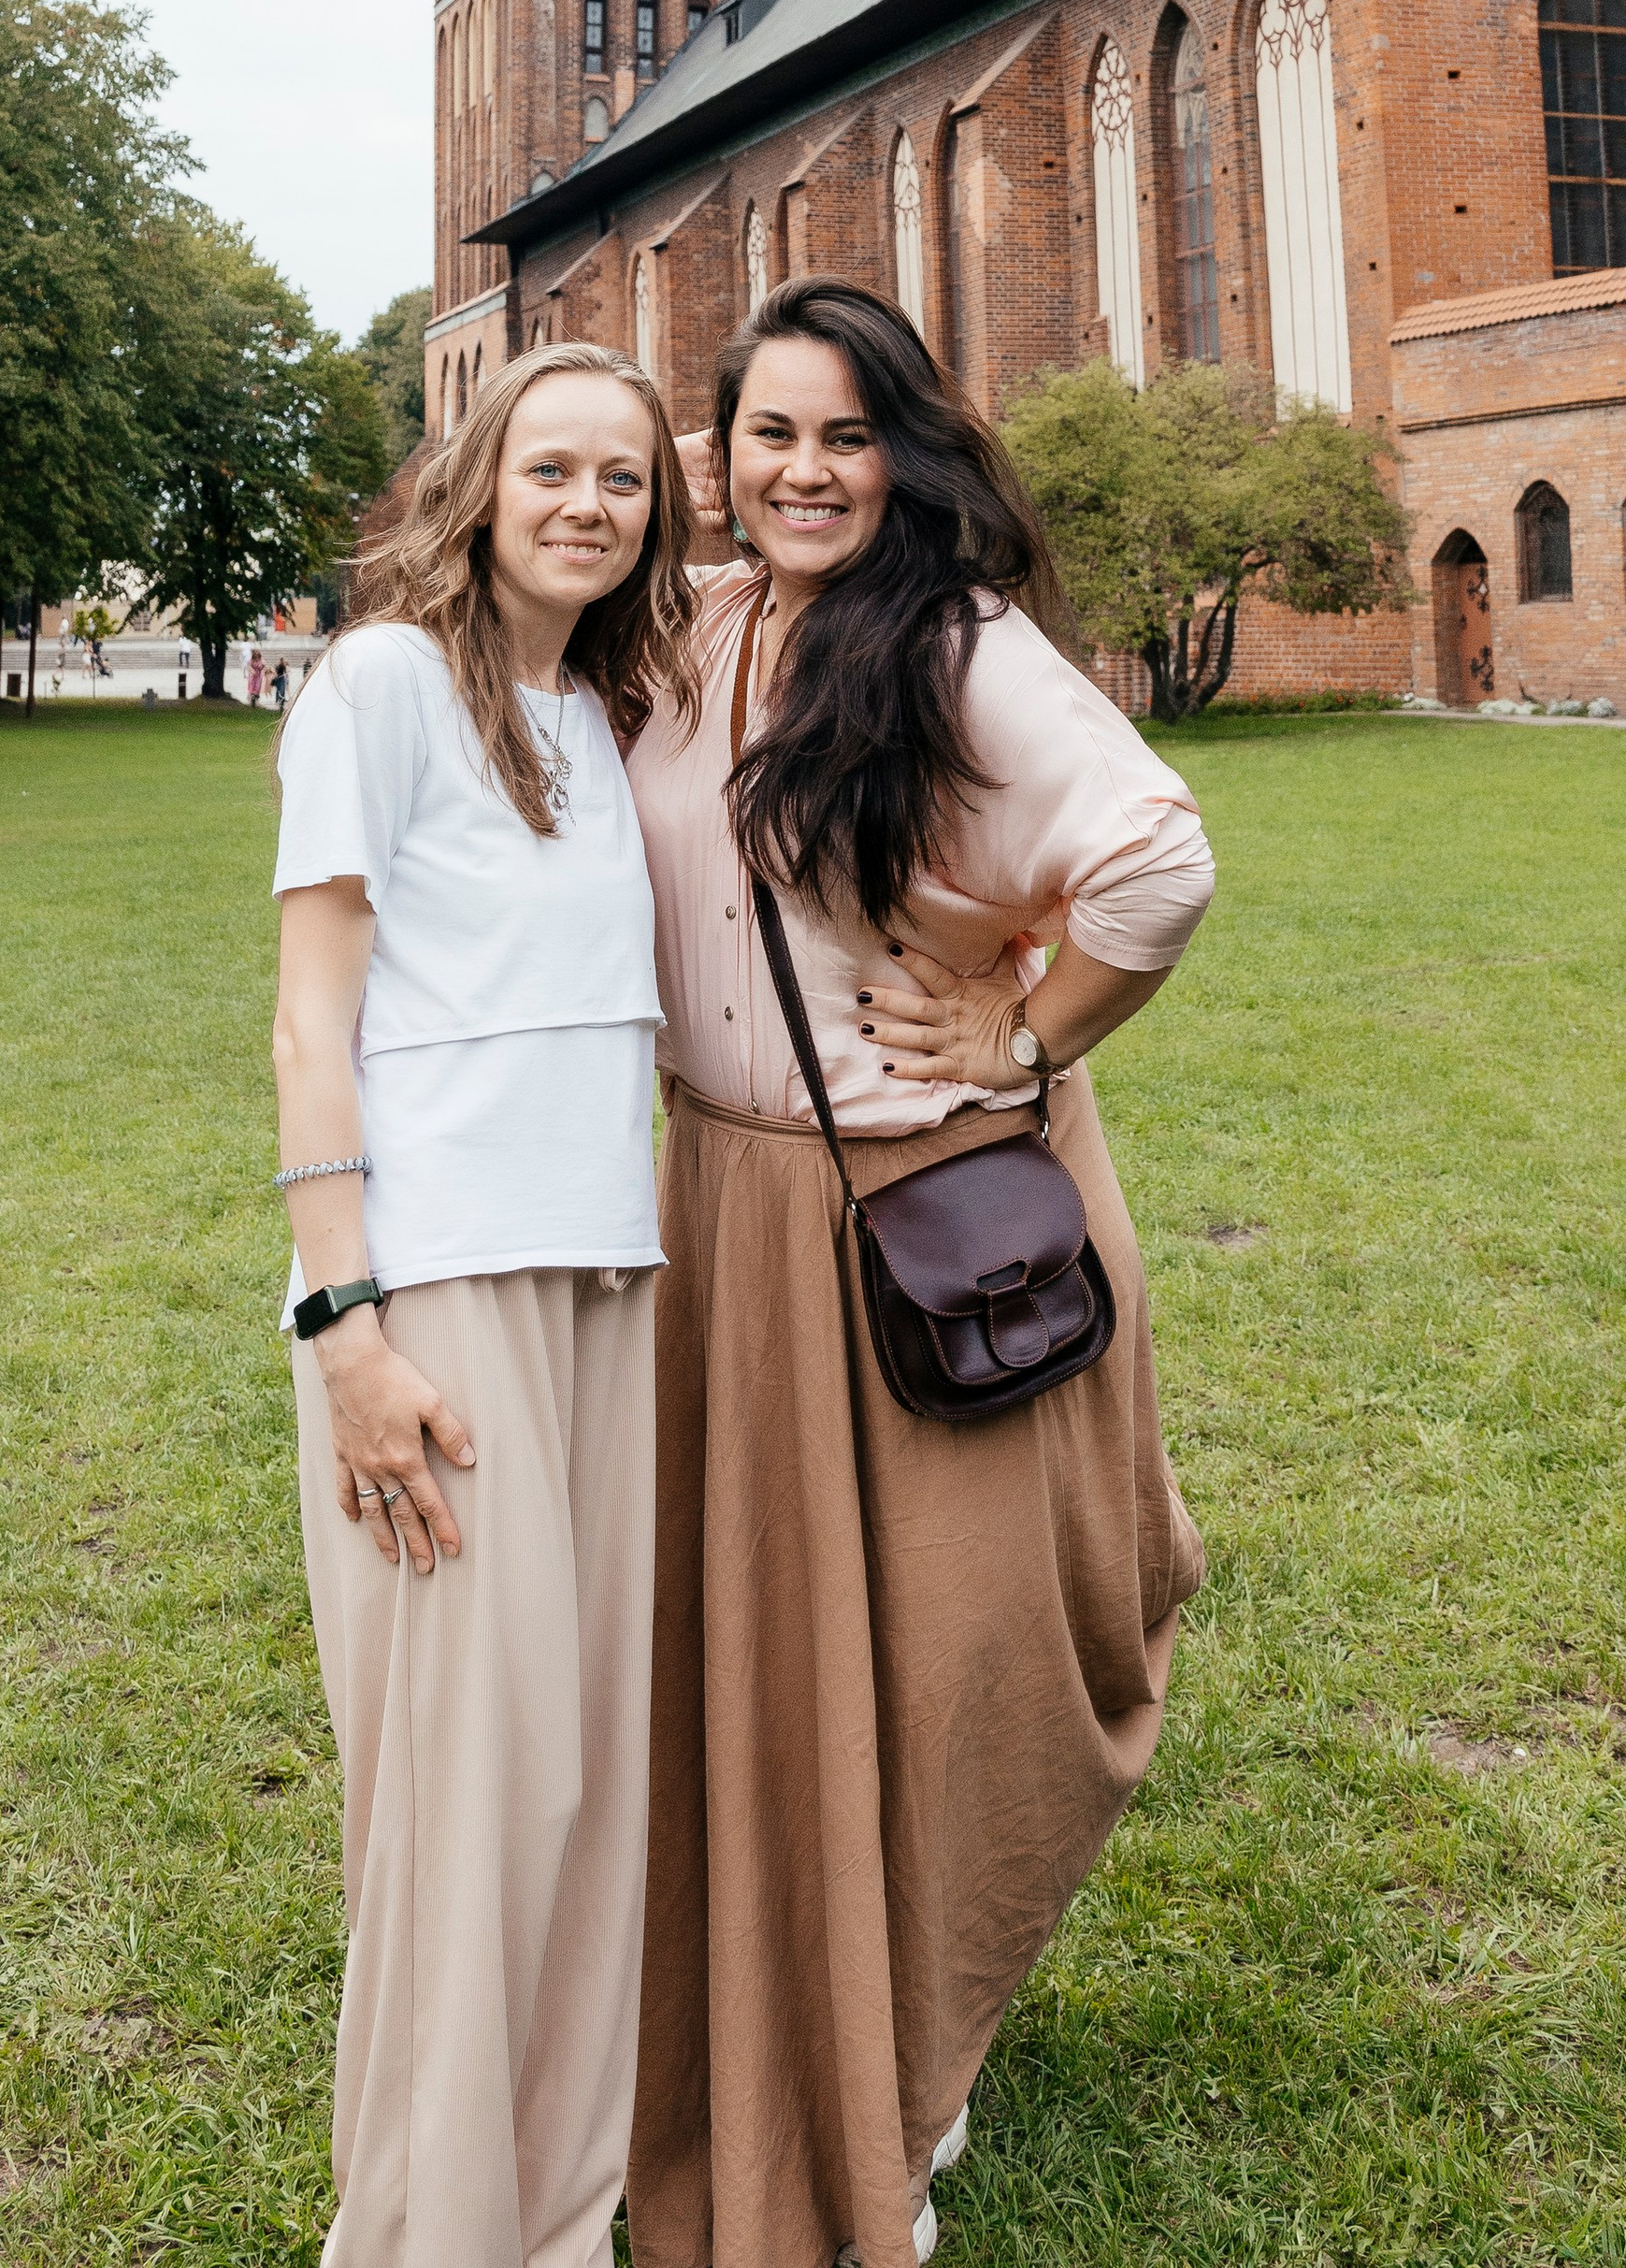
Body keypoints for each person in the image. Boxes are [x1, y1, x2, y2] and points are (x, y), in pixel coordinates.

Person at [626, 276, 1215, 2268]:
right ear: (720, 455)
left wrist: (1028, 1034)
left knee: (948, 1665)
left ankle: (905, 2073)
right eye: (768, 434)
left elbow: (1155, 858)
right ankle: (776, 2016)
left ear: (905, 454)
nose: (803, 472)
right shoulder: (700, 629)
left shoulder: (951, 647)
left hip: (918, 1214)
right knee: (770, 1667)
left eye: (843, 435)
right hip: (727, 1211)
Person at [270, 341, 696, 2268]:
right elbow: (309, 1013)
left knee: (579, 1785)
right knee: (468, 1797)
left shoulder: (611, 719)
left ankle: (557, 2209)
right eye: (553, 468)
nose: (585, 503)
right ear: (480, 476)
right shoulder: (378, 685)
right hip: (433, 1294)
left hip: (614, 1281)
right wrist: (344, 1325)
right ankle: (430, 2233)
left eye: (622, 477)